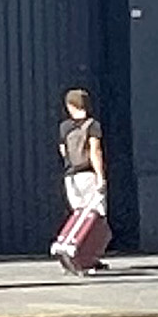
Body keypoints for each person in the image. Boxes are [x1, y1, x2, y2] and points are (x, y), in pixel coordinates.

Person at [54, 88, 111, 274]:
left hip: (71, 177)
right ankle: (89, 257)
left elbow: (63, 152)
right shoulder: (92, 125)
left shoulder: (64, 127)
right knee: (96, 218)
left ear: (71, 105)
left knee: (79, 216)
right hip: (88, 174)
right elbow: (95, 152)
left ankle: (72, 253)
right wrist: (101, 177)